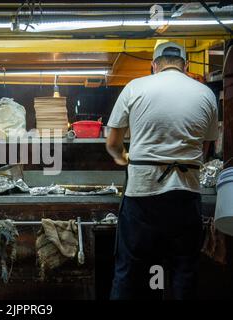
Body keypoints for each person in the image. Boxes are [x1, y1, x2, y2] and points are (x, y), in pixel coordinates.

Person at [106, 42, 218, 299]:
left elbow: (112, 143)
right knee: (183, 272)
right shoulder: (205, 94)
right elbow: (206, 147)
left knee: (129, 272)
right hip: (186, 195)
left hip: (142, 195)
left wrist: (122, 157)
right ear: (186, 66)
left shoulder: (135, 87)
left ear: (154, 65)